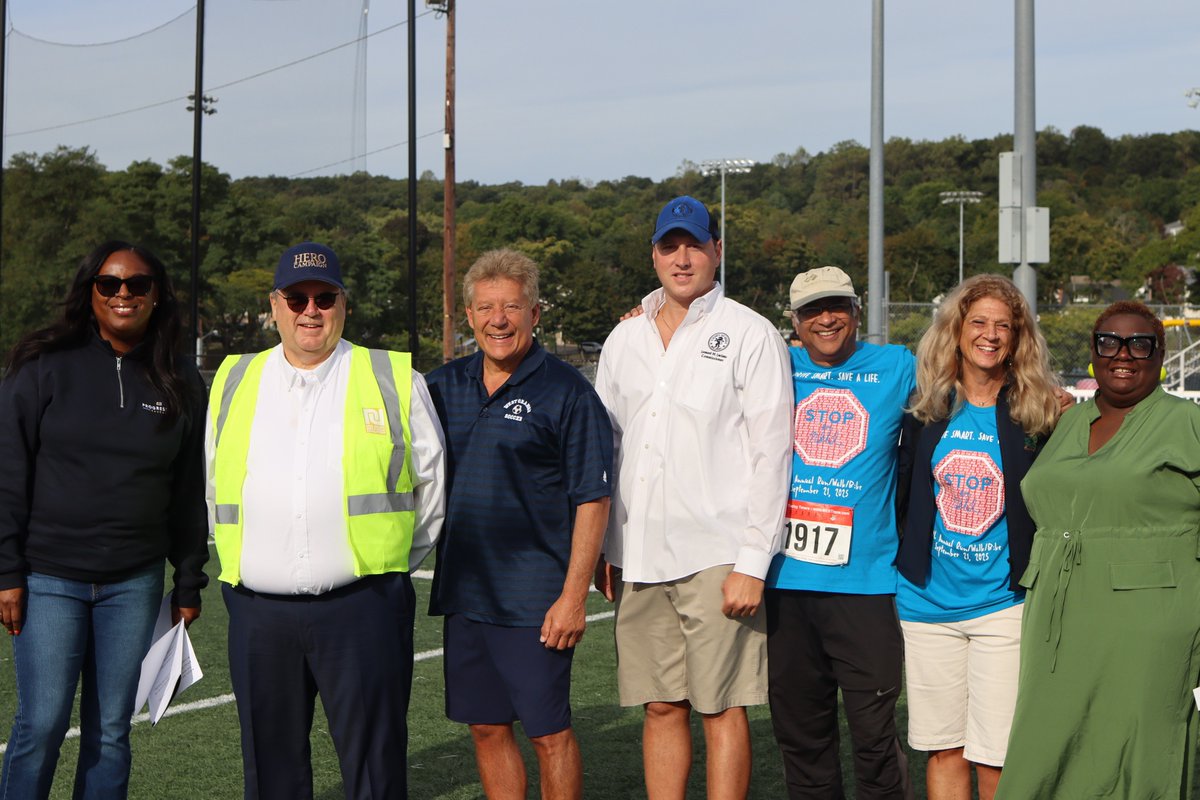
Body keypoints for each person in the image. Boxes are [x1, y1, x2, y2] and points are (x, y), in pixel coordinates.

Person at [205, 241, 445, 800]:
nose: (309, 310)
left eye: (324, 297)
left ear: (344, 304)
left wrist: (387, 567)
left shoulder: (392, 376)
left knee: (374, 770)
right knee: (270, 772)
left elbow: (434, 489)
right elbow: (212, 485)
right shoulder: (234, 379)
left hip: (362, 609)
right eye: (296, 298)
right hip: (260, 615)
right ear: (274, 305)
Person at [594, 196, 793, 799]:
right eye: (669, 246)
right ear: (654, 254)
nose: (682, 258)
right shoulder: (623, 337)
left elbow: (772, 455)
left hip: (718, 557)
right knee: (660, 707)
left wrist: (753, 563)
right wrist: (605, 543)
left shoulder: (750, 332)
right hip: (639, 554)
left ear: (716, 251)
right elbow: (605, 449)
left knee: (722, 709)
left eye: (694, 245)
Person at [0, 241, 209, 798]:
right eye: (109, 283)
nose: (123, 294)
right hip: (47, 579)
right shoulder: (41, 365)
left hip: (134, 582)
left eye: (137, 284)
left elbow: (190, 489)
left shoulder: (179, 377)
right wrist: (7, 573)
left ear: (156, 294)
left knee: (111, 732)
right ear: (88, 290)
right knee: (41, 725)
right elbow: (8, 475)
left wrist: (188, 580)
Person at [425, 249, 613, 800]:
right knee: (485, 727)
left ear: (534, 313)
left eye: (511, 306)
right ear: (469, 315)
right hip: (465, 593)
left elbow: (593, 498)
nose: (498, 319)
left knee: (549, 735)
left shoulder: (568, 392)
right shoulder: (441, 387)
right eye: (486, 308)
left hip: (536, 598)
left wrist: (573, 597)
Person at [996, 301, 1200, 799]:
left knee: (1139, 744)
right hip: (1057, 614)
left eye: (1139, 344)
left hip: (1151, 617)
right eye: (1109, 342)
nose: (1123, 354)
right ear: (1094, 352)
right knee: (1047, 745)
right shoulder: (1065, 419)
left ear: (1161, 352)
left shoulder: (1186, 422)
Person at [894, 275, 1061, 800]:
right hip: (925, 608)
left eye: (1003, 326)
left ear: (1017, 339)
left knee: (995, 757)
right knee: (943, 751)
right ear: (957, 330)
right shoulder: (927, 409)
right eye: (979, 322)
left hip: (1002, 607)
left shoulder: (1038, 412)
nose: (990, 335)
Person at [764, 265, 914, 799]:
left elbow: (973, 386)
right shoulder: (774, 363)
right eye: (811, 311)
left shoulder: (897, 365)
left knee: (875, 739)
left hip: (865, 586)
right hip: (784, 584)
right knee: (802, 739)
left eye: (836, 307)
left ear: (856, 310)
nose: (825, 319)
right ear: (794, 322)